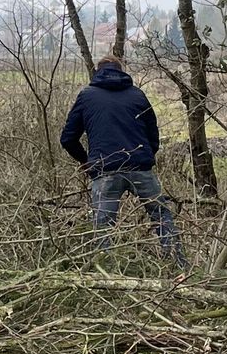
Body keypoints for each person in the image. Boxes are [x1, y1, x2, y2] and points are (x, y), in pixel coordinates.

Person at [58, 56, 181, 263]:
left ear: (97, 71)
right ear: (121, 70)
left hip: (105, 170)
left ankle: (108, 276)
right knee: (161, 216)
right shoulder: (138, 95)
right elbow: (153, 135)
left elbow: (68, 139)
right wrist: (145, 157)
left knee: (103, 227)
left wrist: (87, 161)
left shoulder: (87, 96)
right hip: (140, 167)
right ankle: (178, 266)